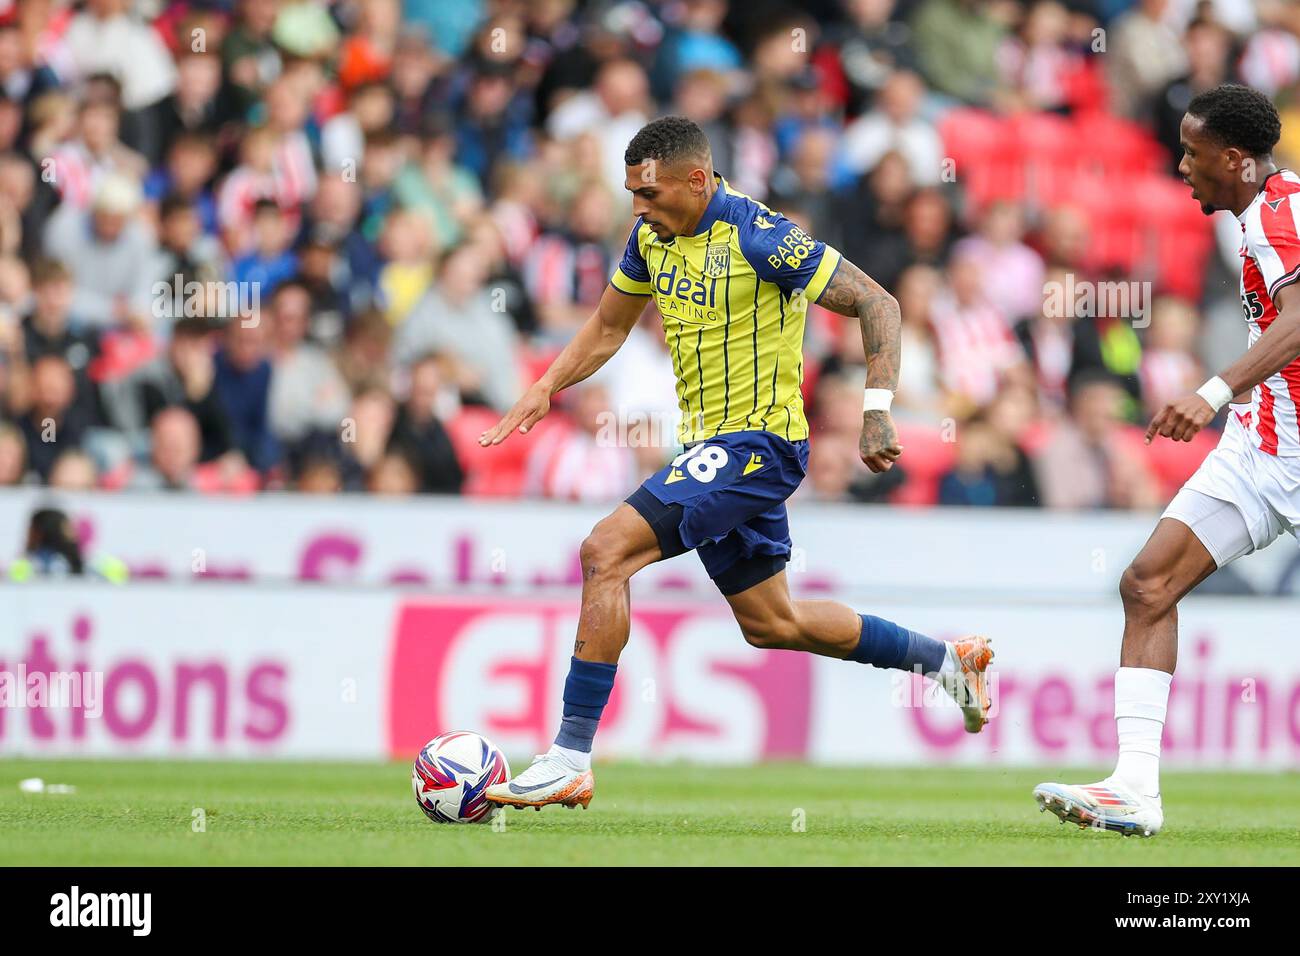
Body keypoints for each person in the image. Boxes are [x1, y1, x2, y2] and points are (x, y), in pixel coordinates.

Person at [476, 116, 994, 812]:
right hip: (709, 450)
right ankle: (945, 661)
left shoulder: (761, 236)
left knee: (605, 552)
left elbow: (880, 302)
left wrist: (876, 410)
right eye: (632, 194)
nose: (639, 209)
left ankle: (569, 755)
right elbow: (607, 327)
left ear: (697, 180)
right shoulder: (648, 240)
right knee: (773, 622)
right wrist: (546, 385)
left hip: (761, 446)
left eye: (651, 194)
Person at [1035, 84, 1300, 837]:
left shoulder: (1279, 215)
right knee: (1148, 583)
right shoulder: (1254, 216)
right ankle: (1135, 789)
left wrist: (1212, 391)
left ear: (1236, 160)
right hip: (1260, 448)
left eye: (1191, 151)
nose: (1180, 164)